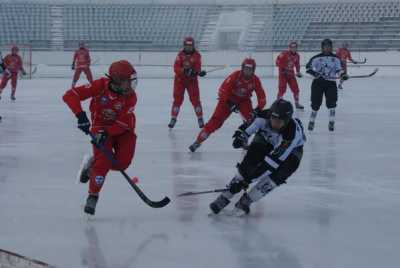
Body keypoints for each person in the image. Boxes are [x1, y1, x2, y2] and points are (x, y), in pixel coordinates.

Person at [63, 60, 138, 215]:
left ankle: (92, 165)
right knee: (103, 162)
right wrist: (80, 115)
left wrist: (108, 132)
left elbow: (124, 123)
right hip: (100, 128)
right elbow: (70, 95)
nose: (131, 85)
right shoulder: (100, 86)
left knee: (121, 164)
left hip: (123, 130)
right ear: (117, 81)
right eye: (127, 82)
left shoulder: (131, 97)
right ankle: (93, 194)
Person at [209, 99, 305, 216]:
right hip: (267, 138)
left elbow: (269, 165)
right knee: (248, 163)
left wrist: (247, 181)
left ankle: (246, 201)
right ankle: (225, 196)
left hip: (292, 152)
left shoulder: (291, 135)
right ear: (269, 115)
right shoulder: (262, 116)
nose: (275, 124)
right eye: (273, 119)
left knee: (276, 176)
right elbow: (248, 127)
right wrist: (241, 136)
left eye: (279, 122)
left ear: (287, 121)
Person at [189, 58, 266, 152]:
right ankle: (198, 141)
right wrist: (229, 103)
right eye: (246, 69)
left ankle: (244, 140)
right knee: (215, 122)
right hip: (227, 100)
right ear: (242, 68)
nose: (247, 71)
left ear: (253, 70)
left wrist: (258, 109)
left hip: (244, 101)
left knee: (252, 121)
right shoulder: (235, 76)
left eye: (250, 70)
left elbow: (262, 97)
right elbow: (223, 90)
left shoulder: (255, 80)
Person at [306, 39, 347, 132]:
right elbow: (308, 67)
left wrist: (342, 75)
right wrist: (315, 74)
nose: (327, 48)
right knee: (315, 104)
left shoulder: (336, 58)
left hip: (331, 83)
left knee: (332, 103)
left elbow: (339, 69)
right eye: (325, 46)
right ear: (322, 47)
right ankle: (312, 121)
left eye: (329, 46)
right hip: (317, 83)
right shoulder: (316, 57)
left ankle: (331, 121)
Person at [168, 37, 206, 129]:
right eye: (187, 46)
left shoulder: (197, 55)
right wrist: (184, 71)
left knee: (195, 100)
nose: (189, 48)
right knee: (177, 100)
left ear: (193, 46)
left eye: (190, 46)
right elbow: (176, 68)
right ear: (184, 46)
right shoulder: (180, 55)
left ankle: (200, 118)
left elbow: (197, 67)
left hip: (191, 81)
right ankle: (173, 118)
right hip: (179, 81)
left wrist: (198, 72)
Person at [276, 41, 304, 109]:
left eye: (295, 47)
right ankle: (278, 103)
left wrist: (298, 72)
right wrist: (282, 69)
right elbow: (277, 61)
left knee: (296, 89)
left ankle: (297, 103)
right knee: (282, 88)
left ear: (297, 48)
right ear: (289, 48)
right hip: (283, 74)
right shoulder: (284, 53)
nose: (293, 48)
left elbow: (297, 64)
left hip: (291, 74)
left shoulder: (297, 56)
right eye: (292, 47)